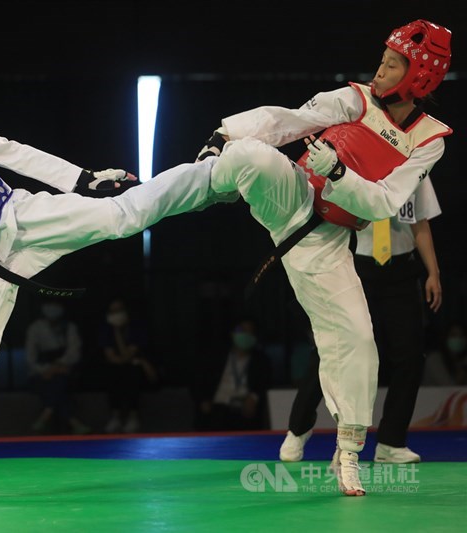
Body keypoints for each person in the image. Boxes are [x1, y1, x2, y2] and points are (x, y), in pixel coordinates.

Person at [0, 42, 237, 505]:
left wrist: (81, 179)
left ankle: (210, 175)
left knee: (119, 217)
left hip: (22, 219)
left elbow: (12, 153)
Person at [197, 19, 452, 495]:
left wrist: (337, 171)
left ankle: (348, 455)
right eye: (382, 59)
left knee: (357, 338)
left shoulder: (428, 140)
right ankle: (193, 176)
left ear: (419, 77)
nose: (379, 70)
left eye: (392, 64)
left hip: (328, 240)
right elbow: (287, 120)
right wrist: (224, 134)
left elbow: (381, 203)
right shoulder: (352, 98)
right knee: (250, 153)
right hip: (291, 196)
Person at [280, 180, 443, 464]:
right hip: (355, 267)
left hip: (402, 271)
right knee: (333, 350)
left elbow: (420, 221)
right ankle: (298, 429)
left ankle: (391, 443)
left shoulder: (417, 165)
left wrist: (434, 273)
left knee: (411, 358)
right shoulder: (354, 159)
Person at [25, 299, 89, 434]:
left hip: (64, 370)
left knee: (60, 380)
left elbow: (74, 353)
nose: (53, 308)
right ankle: (72, 420)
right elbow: (30, 357)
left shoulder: (69, 327)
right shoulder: (35, 328)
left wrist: (57, 366)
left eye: (56, 304)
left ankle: (47, 413)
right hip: (40, 373)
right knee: (56, 384)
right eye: (50, 304)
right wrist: (45, 370)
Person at [193, 319, 271, 431]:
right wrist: (203, 399)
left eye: (250, 332)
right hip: (217, 409)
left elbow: (265, 384)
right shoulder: (214, 357)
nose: (246, 335)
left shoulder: (261, 361)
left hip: (243, 410)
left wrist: (254, 397)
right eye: (242, 330)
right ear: (232, 333)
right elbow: (198, 382)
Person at [98, 297, 157, 434]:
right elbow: (111, 356)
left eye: (119, 310)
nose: (116, 314)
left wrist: (118, 333)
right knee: (114, 372)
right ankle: (115, 416)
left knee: (131, 372)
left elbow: (127, 354)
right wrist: (115, 331)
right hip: (117, 367)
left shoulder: (136, 328)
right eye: (113, 311)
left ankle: (133, 416)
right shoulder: (106, 330)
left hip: (134, 368)